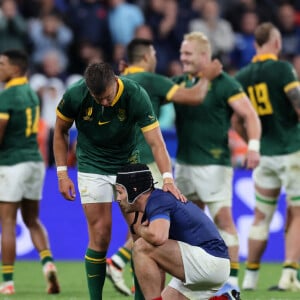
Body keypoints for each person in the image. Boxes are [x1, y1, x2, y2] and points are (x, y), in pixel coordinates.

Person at [53, 61, 184, 300]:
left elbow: (156, 142)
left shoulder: (135, 94)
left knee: (141, 237)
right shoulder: (75, 94)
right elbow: (60, 130)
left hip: (129, 167)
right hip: (92, 166)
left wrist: (167, 178)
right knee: (101, 235)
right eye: (98, 98)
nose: (104, 103)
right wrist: (62, 174)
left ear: (116, 80)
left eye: (107, 97)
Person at [106, 37, 222, 296]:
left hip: (118, 167)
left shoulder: (117, 83)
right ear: (147, 56)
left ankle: (120, 262)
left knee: (139, 236)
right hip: (146, 166)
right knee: (158, 235)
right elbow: (194, 97)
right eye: (155, 52)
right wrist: (208, 78)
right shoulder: (151, 80)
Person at [172, 31, 261, 295]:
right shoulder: (179, 83)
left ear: (203, 55)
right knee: (188, 225)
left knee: (223, 219)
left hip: (215, 165)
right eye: (181, 53)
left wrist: (253, 147)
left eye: (187, 53)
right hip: (185, 165)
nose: (182, 58)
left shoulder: (224, 83)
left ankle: (232, 281)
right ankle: (192, 280)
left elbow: (250, 116)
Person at [234, 22, 300, 291]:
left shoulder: (243, 75)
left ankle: (250, 277)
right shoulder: (283, 68)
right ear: (277, 43)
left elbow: (237, 120)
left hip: (263, 154)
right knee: (297, 213)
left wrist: (253, 141)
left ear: (255, 44)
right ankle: (288, 275)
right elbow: (297, 104)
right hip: (291, 151)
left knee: (261, 217)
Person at [115, 163, 241, 300]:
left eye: (120, 192)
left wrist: (140, 229)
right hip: (209, 264)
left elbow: (158, 237)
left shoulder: (157, 201)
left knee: (141, 247)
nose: (118, 198)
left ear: (134, 190)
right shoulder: (158, 200)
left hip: (209, 262)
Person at [0, 49, 60, 295]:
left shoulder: (7, 96)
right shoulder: (33, 96)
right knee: (32, 220)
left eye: (2, 63)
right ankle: (48, 266)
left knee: (7, 223)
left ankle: (7, 282)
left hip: (12, 162)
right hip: (35, 162)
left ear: (16, 68)